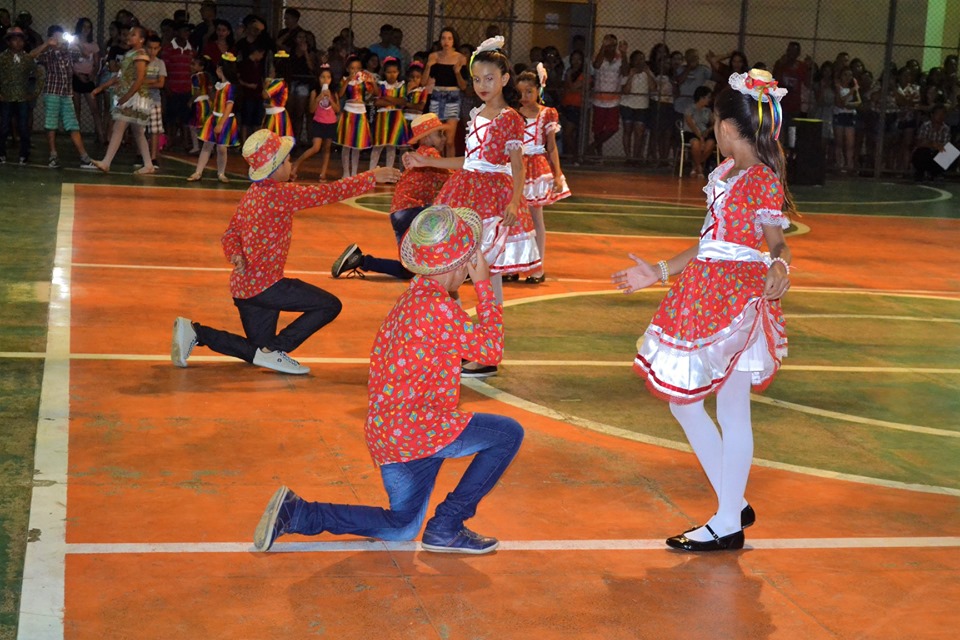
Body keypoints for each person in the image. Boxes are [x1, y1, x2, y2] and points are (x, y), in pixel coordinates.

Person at [253, 204, 523, 555]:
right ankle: (447, 524)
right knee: (507, 434)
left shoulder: (416, 297)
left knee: (403, 526)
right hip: (420, 429)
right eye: (470, 261)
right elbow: (490, 350)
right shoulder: (437, 308)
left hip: (392, 433)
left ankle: (300, 513)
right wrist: (485, 288)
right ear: (457, 264)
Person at [612, 69, 793, 552]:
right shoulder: (726, 173)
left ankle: (728, 520)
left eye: (714, 124)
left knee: (729, 410)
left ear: (729, 129)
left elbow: (777, 242)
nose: (713, 131)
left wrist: (779, 265)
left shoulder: (761, 180)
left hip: (735, 298)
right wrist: (658, 271)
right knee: (687, 402)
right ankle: (733, 503)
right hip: (705, 289)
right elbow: (707, 245)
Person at [171, 129, 401, 374]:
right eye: (287, 161)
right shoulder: (280, 194)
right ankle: (276, 350)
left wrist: (235, 255)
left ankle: (195, 332)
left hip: (245, 289)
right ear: (275, 167)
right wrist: (371, 177)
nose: (291, 164)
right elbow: (328, 193)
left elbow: (230, 233)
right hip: (267, 286)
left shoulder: (252, 195)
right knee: (329, 305)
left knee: (257, 350)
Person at [406, 36, 542, 377]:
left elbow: (518, 164)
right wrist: (428, 161)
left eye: (490, 79)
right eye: (478, 79)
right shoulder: (476, 113)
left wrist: (514, 200)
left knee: (487, 274)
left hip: (493, 199)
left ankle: (489, 351)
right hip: (464, 192)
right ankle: (465, 341)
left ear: (505, 79)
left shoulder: (511, 118)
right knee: (455, 269)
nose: (483, 85)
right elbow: (469, 162)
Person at [332, 112, 451, 280]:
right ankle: (460, 264)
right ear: (427, 137)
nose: (444, 138)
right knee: (448, 220)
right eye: (440, 134)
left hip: (403, 211)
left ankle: (360, 260)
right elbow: (450, 177)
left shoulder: (422, 153)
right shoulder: (430, 154)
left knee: (408, 270)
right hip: (412, 209)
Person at [516, 65, 570, 284]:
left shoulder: (547, 113)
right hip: (516, 167)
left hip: (536, 167)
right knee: (514, 219)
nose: (525, 96)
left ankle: (537, 268)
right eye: (520, 92)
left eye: (529, 91)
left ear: (538, 89)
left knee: (535, 218)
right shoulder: (512, 114)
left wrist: (557, 175)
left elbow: (552, 147)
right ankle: (514, 264)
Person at [90, 25, 154, 174]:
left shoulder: (140, 55)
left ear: (141, 39)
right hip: (128, 95)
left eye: (133, 35)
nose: (129, 37)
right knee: (138, 132)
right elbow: (119, 77)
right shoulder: (129, 54)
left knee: (119, 127)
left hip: (134, 97)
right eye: (129, 35)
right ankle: (148, 164)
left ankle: (106, 162)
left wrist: (127, 96)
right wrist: (101, 88)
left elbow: (139, 79)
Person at [32, 26, 96, 170]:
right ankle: (53, 155)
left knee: (73, 124)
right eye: (56, 37)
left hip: (67, 94)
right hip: (52, 92)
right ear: (51, 38)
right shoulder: (48, 53)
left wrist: (76, 42)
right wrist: (47, 44)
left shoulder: (69, 50)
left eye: (61, 36)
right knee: (51, 125)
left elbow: (86, 54)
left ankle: (84, 157)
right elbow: (31, 56)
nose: (59, 40)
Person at [187, 53, 238, 182]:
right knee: (207, 145)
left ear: (220, 69)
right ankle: (198, 172)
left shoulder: (230, 87)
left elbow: (229, 106)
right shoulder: (218, 86)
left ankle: (221, 173)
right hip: (214, 117)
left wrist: (221, 123)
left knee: (221, 147)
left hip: (225, 119)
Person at [423, 26, 468, 157]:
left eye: (449, 38)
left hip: (453, 96)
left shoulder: (460, 58)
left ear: (454, 41)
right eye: (443, 38)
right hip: (437, 95)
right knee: (435, 138)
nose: (446, 41)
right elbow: (423, 82)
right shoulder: (434, 56)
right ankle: (436, 169)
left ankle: (451, 172)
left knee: (449, 140)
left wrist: (457, 73)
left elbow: (463, 86)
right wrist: (428, 66)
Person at [0, 27, 41, 165]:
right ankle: (1, 153)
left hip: (23, 97)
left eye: (20, 40)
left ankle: (24, 154)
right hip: (6, 97)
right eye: (14, 40)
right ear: (8, 42)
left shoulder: (27, 58)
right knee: (4, 126)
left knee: (23, 127)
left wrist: (34, 93)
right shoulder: (3, 58)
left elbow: (39, 74)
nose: (18, 43)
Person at [291, 65, 338, 182]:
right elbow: (311, 109)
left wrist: (330, 99)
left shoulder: (334, 93)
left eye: (328, 77)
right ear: (318, 78)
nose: (325, 80)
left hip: (331, 122)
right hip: (318, 121)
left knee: (327, 148)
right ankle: (296, 163)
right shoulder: (314, 91)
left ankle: (323, 172)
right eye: (322, 77)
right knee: (316, 147)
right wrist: (318, 98)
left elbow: (337, 109)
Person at [588, 34, 627, 156]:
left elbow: (625, 71)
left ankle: (592, 146)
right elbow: (596, 66)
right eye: (609, 44)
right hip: (599, 98)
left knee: (613, 128)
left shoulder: (620, 57)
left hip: (614, 99)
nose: (611, 47)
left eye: (613, 45)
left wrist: (624, 53)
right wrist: (602, 48)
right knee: (598, 129)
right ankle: (598, 153)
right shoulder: (599, 56)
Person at [337, 54, 376, 177]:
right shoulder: (344, 80)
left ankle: (354, 172)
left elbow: (374, 93)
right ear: (348, 69)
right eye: (352, 68)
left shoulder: (363, 81)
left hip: (361, 112)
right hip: (349, 112)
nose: (355, 71)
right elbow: (340, 94)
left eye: (358, 68)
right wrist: (347, 81)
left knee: (357, 145)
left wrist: (372, 82)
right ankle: (346, 172)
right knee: (346, 144)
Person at [161, 22, 194, 152]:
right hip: (173, 89)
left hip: (187, 89)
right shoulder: (168, 49)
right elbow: (165, 70)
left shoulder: (191, 50)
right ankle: (170, 140)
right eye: (184, 30)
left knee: (185, 118)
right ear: (176, 32)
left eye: (188, 31)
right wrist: (167, 87)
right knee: (171, 117)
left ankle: (185, 141)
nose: (187, 33)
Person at [70, 17, 104, 145]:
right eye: (84, 27)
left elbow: (96, 63)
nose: (86, 30)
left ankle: (101, 135)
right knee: (76, 108)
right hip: (76, 76)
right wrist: (78, 75)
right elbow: (70, 62)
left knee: (94, 109)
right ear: (79, 27)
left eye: (89, 27)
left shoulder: (93, 45)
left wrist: (92, 75)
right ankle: (76, 137)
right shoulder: (73, 43)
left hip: (88, 77)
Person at [370, 56, 407, 170]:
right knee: (378, 145)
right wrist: (394, 100)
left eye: (394, 72)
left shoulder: (401, 85)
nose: (392, 75)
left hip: (396, 117)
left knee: (392, 146)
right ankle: (371, 171)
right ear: (384, 72)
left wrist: (386, 97)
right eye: (389, 72)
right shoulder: (381, 85)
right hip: (383, 117)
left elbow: (402, 102)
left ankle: (389, 171)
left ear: (399, 72)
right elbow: (377, 102)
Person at [620, 50, 655, 162]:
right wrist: (631, 75)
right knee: (627, 130)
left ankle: (636, 156)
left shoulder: (648, 72)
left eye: (642, 59)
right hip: (628, 104)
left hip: (642, 105)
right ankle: (628, 156)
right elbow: (625, 90)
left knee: (639, 132)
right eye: (638, 59)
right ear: (633, 61)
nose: (641, 61)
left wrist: (648, 73)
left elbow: (653, 88)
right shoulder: (628, 72)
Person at [143, 34, 167, 168]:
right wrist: (153, 81)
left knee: (155, 130)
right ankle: (140, 154)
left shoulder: (160, 63)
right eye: (150, 48)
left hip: (154, 100)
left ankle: (153, 157)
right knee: (140, 128)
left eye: (155, 48)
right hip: (141, 99)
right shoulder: (141, 61)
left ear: (159, 49)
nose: (152, 51)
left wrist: (145, 82)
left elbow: (161, 83)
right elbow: (137, 81)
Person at [912, 104, 953, 181]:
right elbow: (920, 142)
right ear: (932, 115)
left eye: (943, 114)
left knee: (950, 153)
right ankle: (921, 172)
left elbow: (945, 145)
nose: (941, 116)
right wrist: (933, 144)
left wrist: (937, 146)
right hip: (926, 153)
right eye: (938, 114)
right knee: (922, 152)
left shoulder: (946, 129)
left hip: (937, 153)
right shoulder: (925, 126)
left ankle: (936, 173)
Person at [682, 85, 716, 178]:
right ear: (702, 97)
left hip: (704, 133)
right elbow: (691, 124)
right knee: (696, 143)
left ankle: (695, 166)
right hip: (691, 133)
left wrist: (708, 130)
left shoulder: (708, 111)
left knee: (711, 143)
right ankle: (700, 168)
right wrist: (700, 137)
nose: (709, 99)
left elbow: (715, 123)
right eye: (708, 97)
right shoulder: (690, 109)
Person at [833, 66, 861, 173]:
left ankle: (849, 165)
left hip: (850, 116)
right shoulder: (838, 87)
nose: (848, 77)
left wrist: (848, 104)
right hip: (840, 115)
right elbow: (839, 102)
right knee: (839, 142)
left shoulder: (853, 88)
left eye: (850, 75)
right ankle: (839, 165)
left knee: (850, 143)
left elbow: (858, 102)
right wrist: (850, 93)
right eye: (845, 75)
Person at [262, 50, 292, 137]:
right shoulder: (282, 82)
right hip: (275, 113)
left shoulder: (278, 83)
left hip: (275, 116)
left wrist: (266, 84)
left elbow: (264, 95)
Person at [187, 54, 211, 155]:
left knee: (193, 125)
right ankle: (209, 147)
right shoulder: (206, 76)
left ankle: (196, 147)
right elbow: (210, 89)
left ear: (201, 67)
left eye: (194, 64)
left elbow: (196, 92)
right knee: (205, 125)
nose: (191, 66)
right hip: (206, 102)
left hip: (198, 103)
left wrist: (190, 101)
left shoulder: (195, 77)